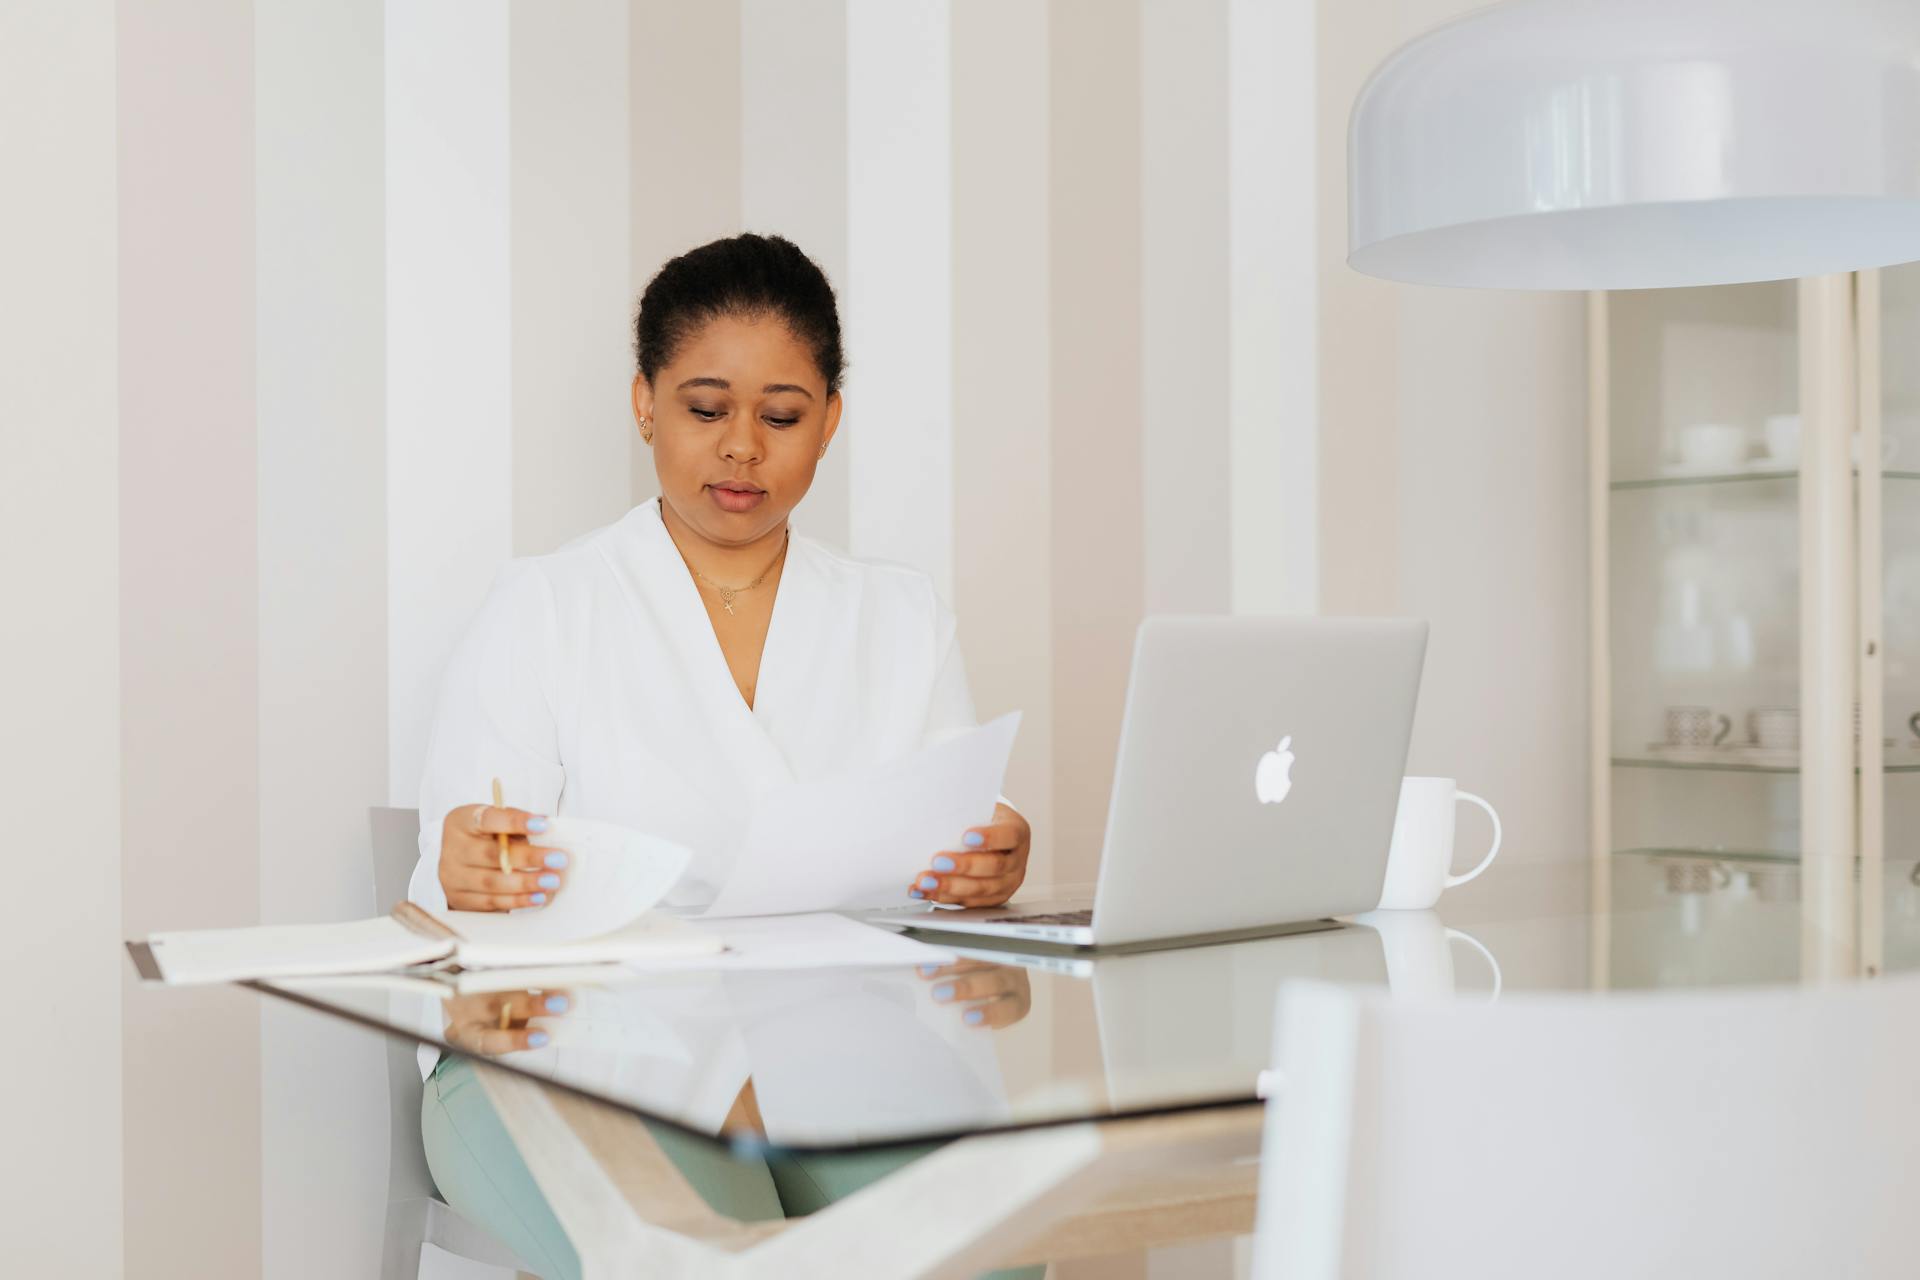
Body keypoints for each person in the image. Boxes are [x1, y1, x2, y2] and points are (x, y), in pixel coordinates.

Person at [410, 232, 1039, 1279]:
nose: (742, 446)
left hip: (836, 1059)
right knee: (720, 1262)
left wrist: (990, 856)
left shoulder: (899, 616)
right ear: (644, 401)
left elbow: (950, 841)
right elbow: (452, 893)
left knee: (995, 1251)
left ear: (830, 421)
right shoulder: (549, 606)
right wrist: (470, 867)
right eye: (706, 408)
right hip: (567, 1056)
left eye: (782, 415)